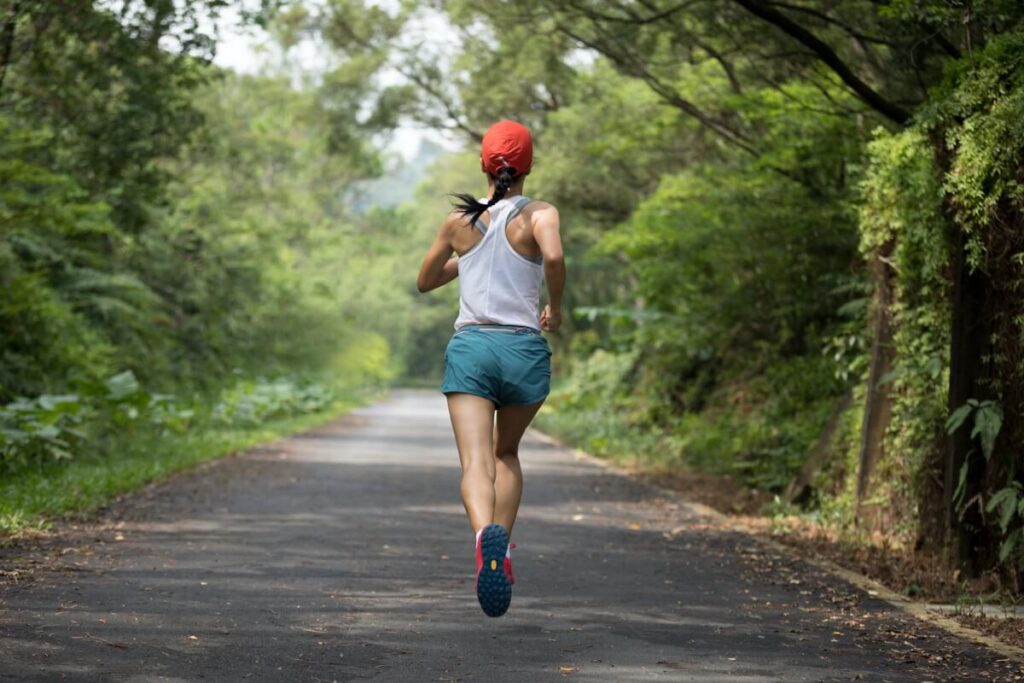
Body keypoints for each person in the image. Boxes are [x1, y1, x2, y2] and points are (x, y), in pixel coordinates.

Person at [416, 120, 565, 618]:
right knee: (507, 454)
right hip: (523, 350)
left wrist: (469, 256)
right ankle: (503, 548)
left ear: (484, 165)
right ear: (528, 167)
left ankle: (485, 540)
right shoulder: (540, 213)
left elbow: (425, 280)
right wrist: (556, 308)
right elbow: (555, 256)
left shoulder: (459, 221)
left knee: (475, 463)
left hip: (473, 349)